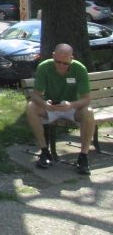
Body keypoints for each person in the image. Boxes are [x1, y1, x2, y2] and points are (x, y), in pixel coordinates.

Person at [25, 44, 94, 175]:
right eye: (58, 62)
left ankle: (83, 157)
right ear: (53, 56)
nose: (61, 66)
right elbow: (35, 95)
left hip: (72, 107)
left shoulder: (80, 69)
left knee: (89, 112)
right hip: (51, 106)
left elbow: (86, 99)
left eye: (65, 63)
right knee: (31, 107)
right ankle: (45, 152)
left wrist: (71, 105)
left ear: (71, 59)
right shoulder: (44, 67)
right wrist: (45, 104)